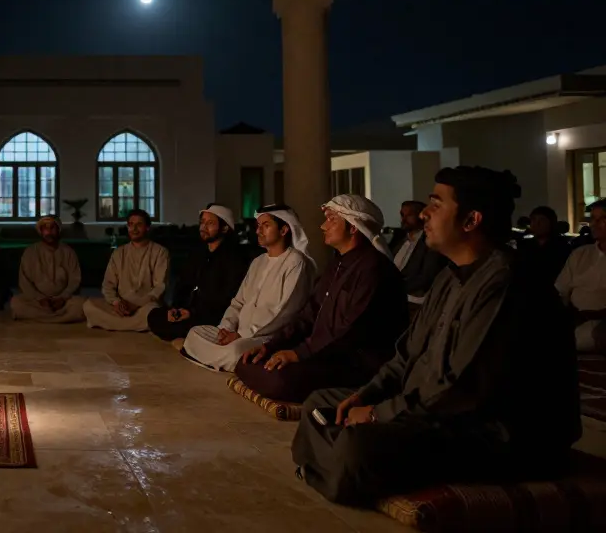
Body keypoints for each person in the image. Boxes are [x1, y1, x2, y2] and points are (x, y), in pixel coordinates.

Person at [293, 167, 581, 506]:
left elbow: (460, 390)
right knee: (320, 404)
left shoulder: (505, 282)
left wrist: (377, 415)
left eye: (436, 204)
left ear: (471, 220)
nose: (425, 213)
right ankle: (334, 466)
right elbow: (405, 355)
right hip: (430, 409)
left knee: (359, 445)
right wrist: (366, 396)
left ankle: (331, 466)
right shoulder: (449, 276)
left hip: (492, 431)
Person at [233, 194, 407, 403]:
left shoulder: (372, 268)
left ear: (353, 227)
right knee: (247, 361)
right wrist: (271, 346)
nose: (323, 226)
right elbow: (309, 314)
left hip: (355, 362)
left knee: (278, 379)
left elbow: (349, 331)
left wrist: (299, 354)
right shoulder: (338, 264)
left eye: (332, 220)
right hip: (324, 352)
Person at [181, 205, 315, 371]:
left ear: (284, 230)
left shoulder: (296, 262)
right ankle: (223, 359)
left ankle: (222, 358)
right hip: (237, 333)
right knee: (195, 333)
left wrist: (242, 335)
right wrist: (226, 329)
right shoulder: (258, 261)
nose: (259, 231)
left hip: (265, 337)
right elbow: (238, 302)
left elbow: (283, 312)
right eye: (258, 226)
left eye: (265, 225)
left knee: (235, 350)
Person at [147, 205, 249, 342]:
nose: (203, 227)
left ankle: (191, 338)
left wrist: (192, 313)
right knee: (154, 315)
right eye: (202, 222)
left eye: (210, 223)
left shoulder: (233, 259)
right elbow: (183, 284)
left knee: (195, 329)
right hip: (188, 312)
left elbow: (227, 300)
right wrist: (176, 309)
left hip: (212, 316)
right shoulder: (198, 253)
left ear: (224, 228)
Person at [85, 209, 170, 331]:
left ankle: (117, 324)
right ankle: (136, 325)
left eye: (139, 224)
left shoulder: (160, 252)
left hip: (144, 306)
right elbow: (108, 284)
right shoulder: (119, 252)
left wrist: (136, 304)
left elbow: (160, 288)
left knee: (152, 311)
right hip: (121, 306)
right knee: (88, 305)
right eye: (131, 224)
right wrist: (116, 302)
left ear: (147, 227)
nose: (134, 229)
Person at [11, 215, 87, 323]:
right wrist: (40, 298)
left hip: (63, 301)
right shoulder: (30, 252)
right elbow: (24, 282)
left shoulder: (68, 252)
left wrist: (62, 298)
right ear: (40, 231)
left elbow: (75, 280)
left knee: (81, 303)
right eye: (45, 228)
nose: (49, 232)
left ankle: (43, 317)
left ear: (58, 230)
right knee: (16, 302)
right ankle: (61, 318)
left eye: (52, 228)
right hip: (37, 301)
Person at [555, 200, 606, 353]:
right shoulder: (580, 254)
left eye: (602, 219)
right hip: (575, 319)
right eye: (592, 219)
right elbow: (560, 290)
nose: (594, 224)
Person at [388, 200, 447, 309]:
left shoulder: (429, 242)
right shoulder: (398, 240)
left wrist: (395, 288)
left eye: (409, 215)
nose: (403, 219)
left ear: (421, 216)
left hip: (413, 301)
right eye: (402, 215)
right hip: (392, 297)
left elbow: (427, 277)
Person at [520, 205, 572, 290]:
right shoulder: (525, 245)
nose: (537, 224)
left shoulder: (561, 246)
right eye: (533, 220)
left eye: (541, 220)